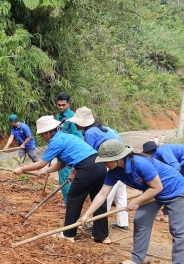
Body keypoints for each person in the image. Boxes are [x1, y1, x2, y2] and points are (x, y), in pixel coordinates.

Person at [78, 139, 184, 264]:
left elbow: (158, 187)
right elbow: (102, 194)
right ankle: (136, 260)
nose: (103, 164)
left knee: (178, 230)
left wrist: (135, 201)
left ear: (117, 158)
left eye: (105, 161)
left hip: (174, 190)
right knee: (140, 221)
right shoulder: (114, 172)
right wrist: (87, 215)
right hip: (151, 194)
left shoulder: (140, 163)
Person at [13, 115, 110, 243]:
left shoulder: (56, 141)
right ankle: (101, 235)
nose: (42, 137)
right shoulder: (65, 137)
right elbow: (63, 163)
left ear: (49, 132)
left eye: (42, 134)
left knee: (73, 199)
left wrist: (22, 169)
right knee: (98, 200)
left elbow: (41, 163)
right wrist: (47, 171)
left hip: (87, 169)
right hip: (100, 166)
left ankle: (68, 235)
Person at [68, 106, 129, 232]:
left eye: (76, 122)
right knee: (120, 194)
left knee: (104, 196)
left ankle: (99, 227)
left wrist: (75, 171)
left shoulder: (90, 133)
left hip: (109, 163)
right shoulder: (104, 129)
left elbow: (88, 155)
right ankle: (123, 223)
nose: (75, 124)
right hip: (122, 161)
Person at [142, 141, 184, 222]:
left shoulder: (161, 149)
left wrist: (174, 177)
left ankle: (167, 215)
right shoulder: (161, 154)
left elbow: (174, 164)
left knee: (172, 186)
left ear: (149, 152)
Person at [55, 92, 83, 213]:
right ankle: (67, 202)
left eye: (63, 105)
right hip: (61, 152)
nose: (61, 107)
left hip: (69, 154)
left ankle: (70, 206)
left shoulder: (72, 118)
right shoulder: (59, 117)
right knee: (62, 177)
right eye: (59, 105)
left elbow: (77, 137)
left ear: (69, 104)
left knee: (67, 178)